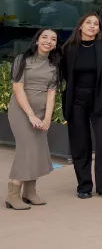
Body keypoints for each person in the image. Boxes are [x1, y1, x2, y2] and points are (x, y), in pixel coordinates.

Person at [61, 13, 102, 200]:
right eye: (89, 23)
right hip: (76, 100)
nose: (92, 26)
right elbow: (65, 74)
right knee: (80, 144)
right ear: (80, 26)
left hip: (100, 99)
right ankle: (84, 185)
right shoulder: (68, 49)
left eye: (96, 24)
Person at [6, 29, 60, 210]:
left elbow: (51, 93)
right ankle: (12, 195)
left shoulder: (54, 65)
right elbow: (18, 89)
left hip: (41, 111)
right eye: (44, 37)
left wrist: (47, 118)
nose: (48, 41)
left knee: (37, 149)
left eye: (53, 39)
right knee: (26, 149)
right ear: (37, 40)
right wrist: (30, 115)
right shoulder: (22, 60)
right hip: (21, 111)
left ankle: (30, 193)